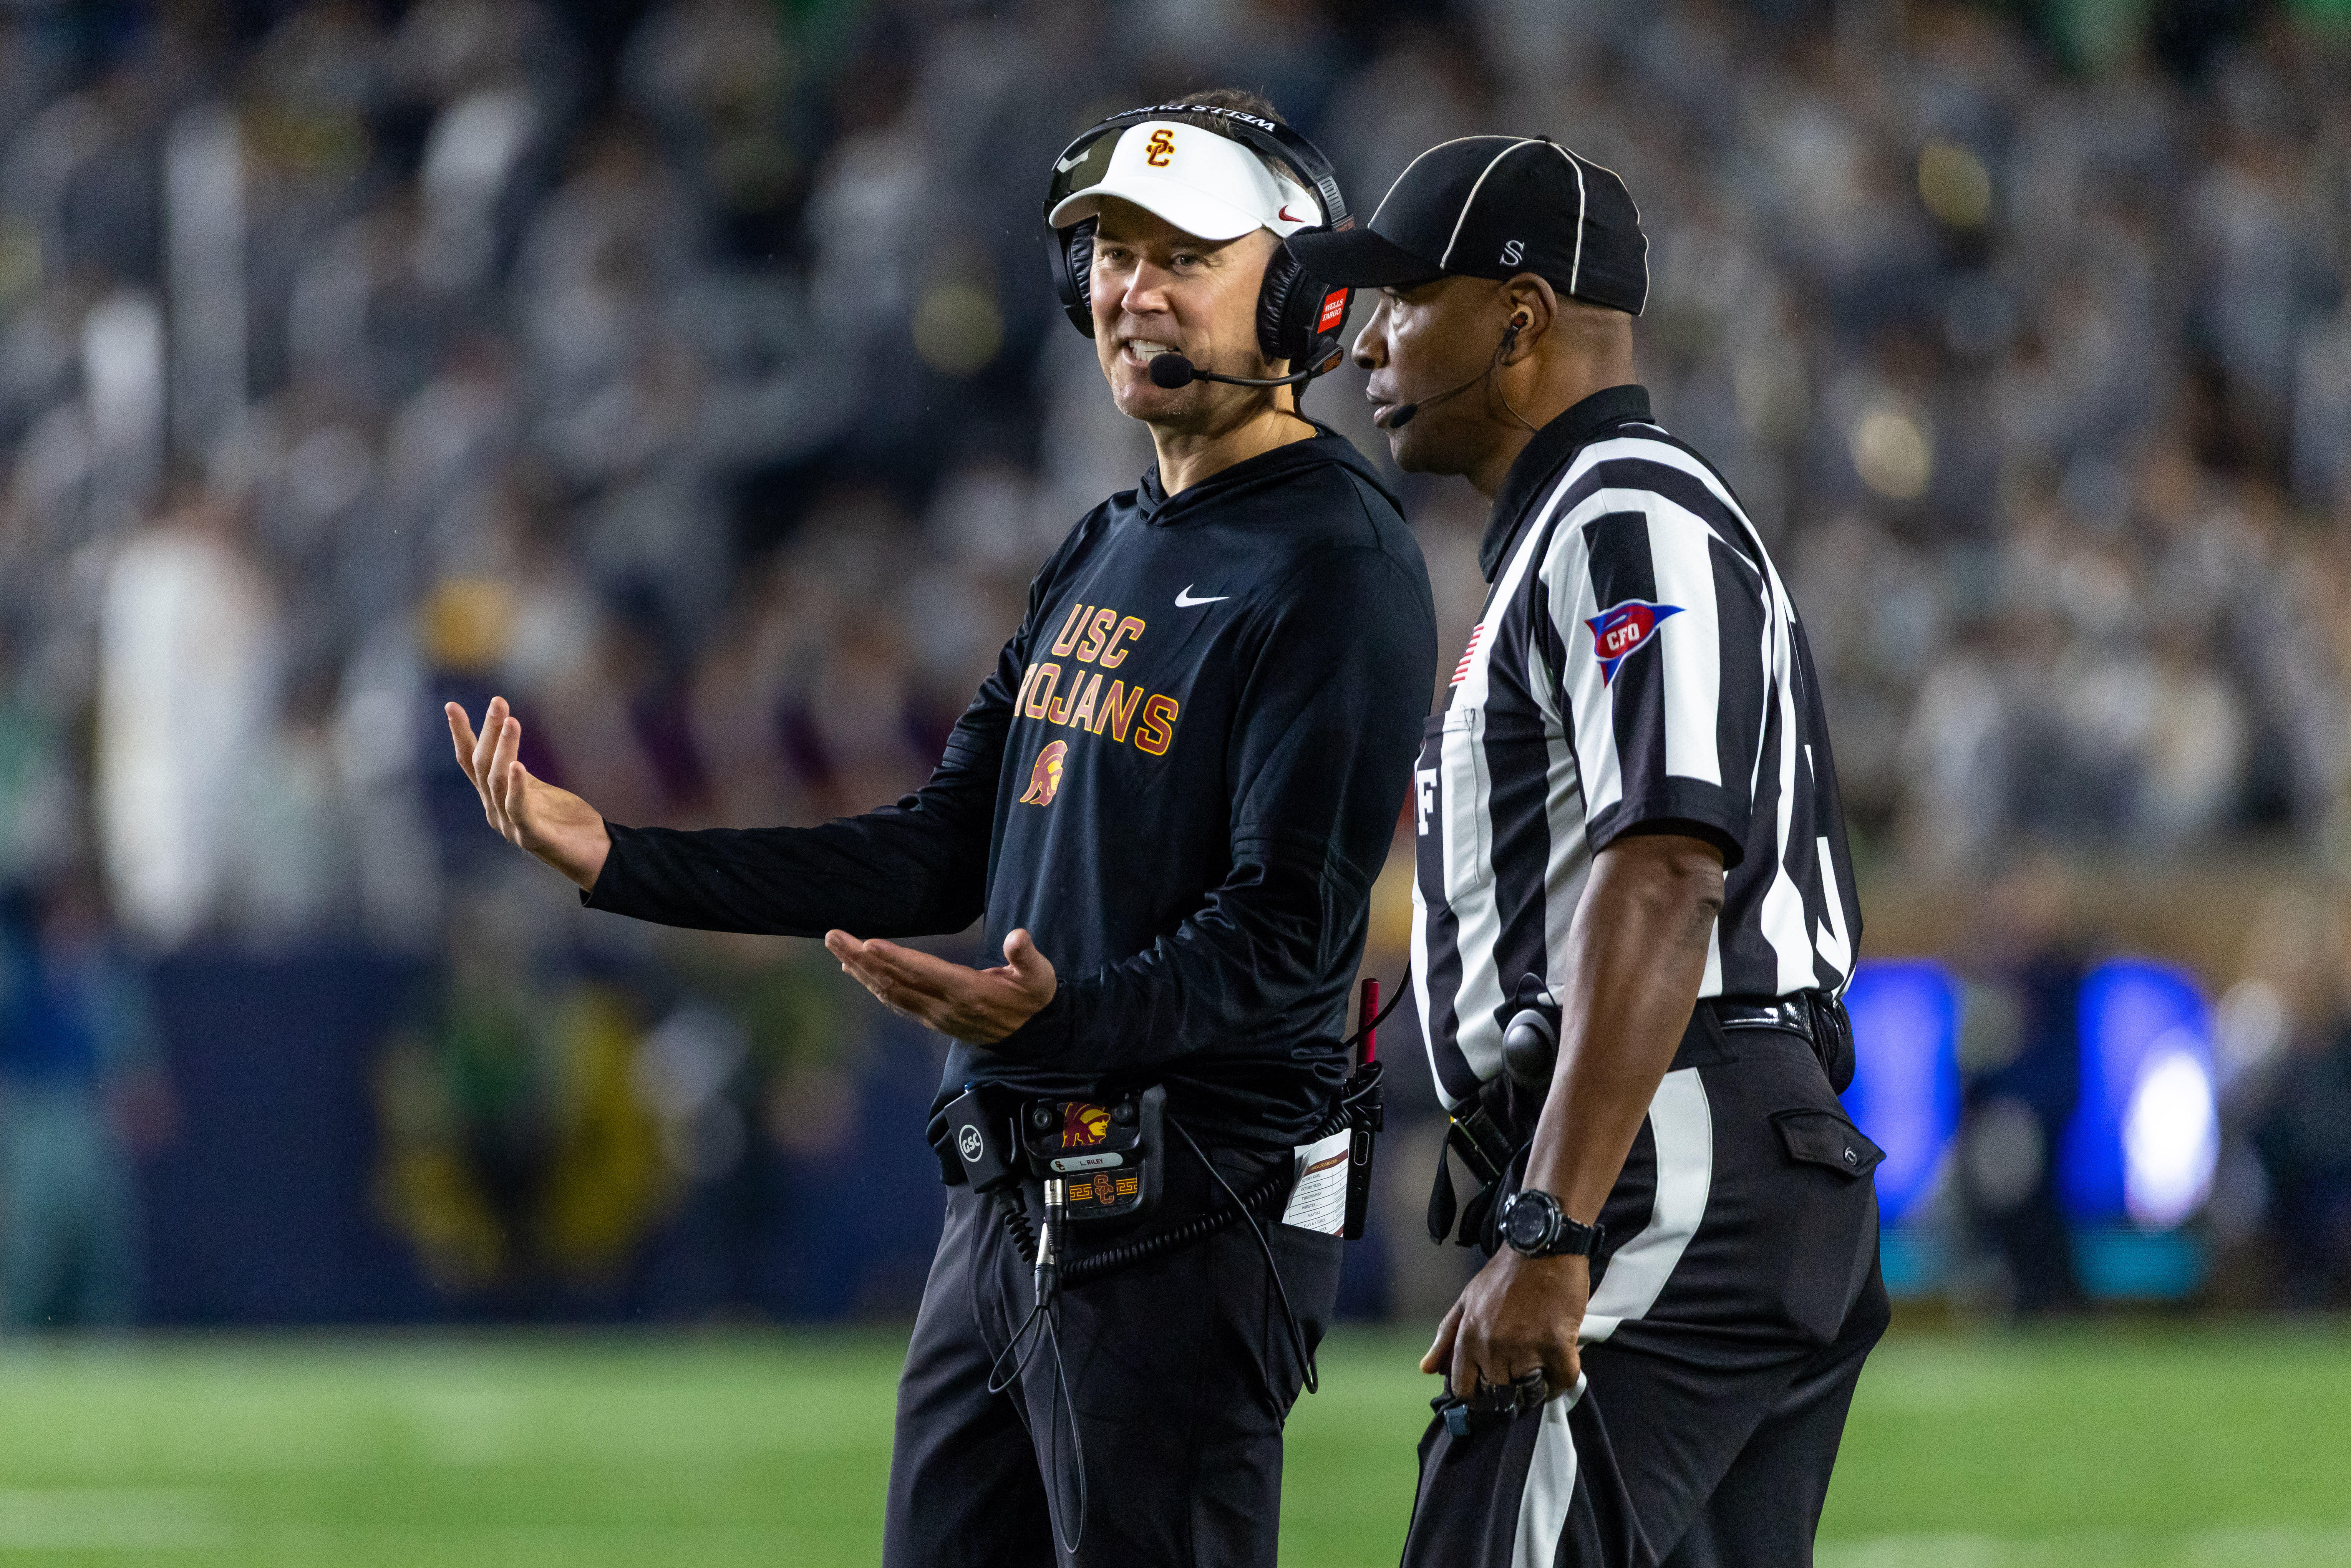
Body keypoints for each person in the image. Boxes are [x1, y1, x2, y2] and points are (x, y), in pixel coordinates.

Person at [447, 90, 1435, 1568]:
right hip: (1007, 1197)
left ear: (1302, 290)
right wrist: (624, 858)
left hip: (1187, 1209)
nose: (1130, 288)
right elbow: (935, 848)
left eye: (1184, 253)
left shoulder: (1340, 565)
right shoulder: (1105, 542)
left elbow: (1288, 935)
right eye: (1108, 251)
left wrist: (1062, 1014)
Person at [1290, 137, 1884, 1566]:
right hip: (1695, 1141)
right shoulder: (1580, 523)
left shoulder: (1626, 511)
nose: (1369, 337)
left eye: (1404, 298)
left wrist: (1554, 1221)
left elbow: (1670, 866)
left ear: (1520, 313)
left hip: (1672, 1144)